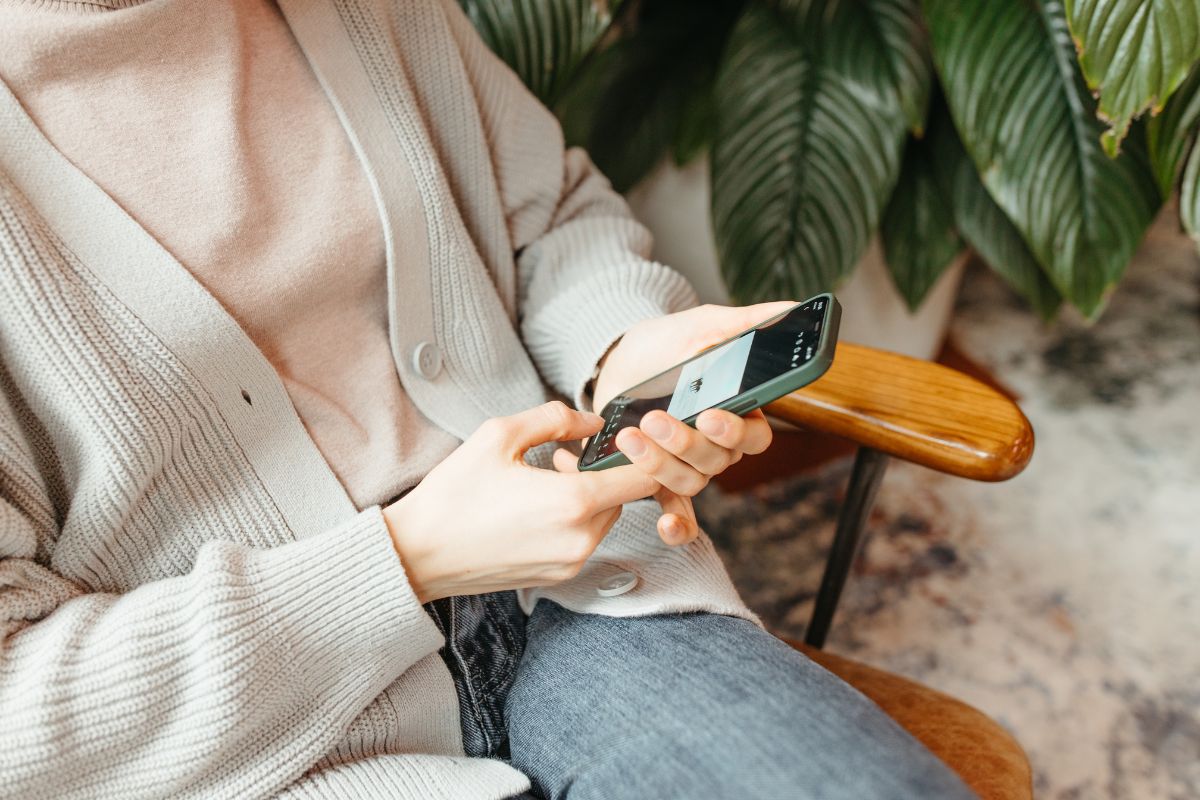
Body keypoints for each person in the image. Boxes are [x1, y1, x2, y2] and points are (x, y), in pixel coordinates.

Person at [0, 1, 976, 798]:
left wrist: (624, 344)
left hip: (582, 592)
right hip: (274, 745)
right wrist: (405, 559)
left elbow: (545, 216)